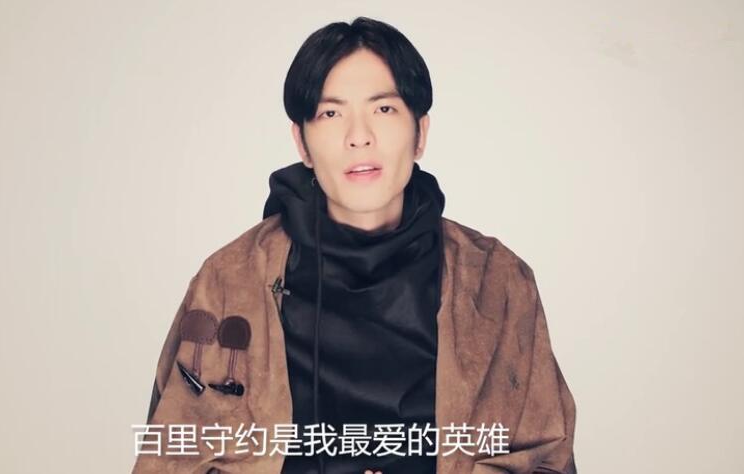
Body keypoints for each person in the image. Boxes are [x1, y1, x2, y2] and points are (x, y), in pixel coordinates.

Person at [132, 17, 576, 474]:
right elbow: (170, 457)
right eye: (331, 113)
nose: (359, 136)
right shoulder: (231, 279)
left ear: (420, 133)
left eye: (383, 109)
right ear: (302, 143)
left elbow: (548, 457)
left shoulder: (495, 281)